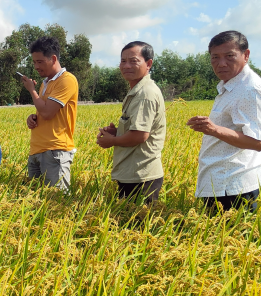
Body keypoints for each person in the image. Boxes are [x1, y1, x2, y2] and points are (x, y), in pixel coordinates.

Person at [188, 31, 261, 214]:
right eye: (215, 57)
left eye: (229, 56)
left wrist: (214, 129)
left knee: (234, 239)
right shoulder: (230, 85)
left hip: (234, 186)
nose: (221, 63)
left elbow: (257, 142)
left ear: (246, 55)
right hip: (220, 183)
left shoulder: (250, 89)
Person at [96, 41, 166, 204]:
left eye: (133, 61)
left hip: (141, 175)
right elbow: (135, 130)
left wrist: (111, 141)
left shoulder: (145, 93)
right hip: (134, 172)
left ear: (148, 64)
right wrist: (118, 132)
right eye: (123, 61)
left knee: (138, 225)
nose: (126, 66)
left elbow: (140, 136)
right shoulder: (137, 91)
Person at [20, 36, 79, 192]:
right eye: (34, 62)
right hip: (37, 150)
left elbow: (47, 112)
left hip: (55, 151)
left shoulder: (66, 80)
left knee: (55, 203)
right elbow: (42, 111)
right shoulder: (45, 83)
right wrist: (33, 117)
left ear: (53, 59)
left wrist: (31, 91)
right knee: (35, 201)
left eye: (40, 62)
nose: (36, 67)